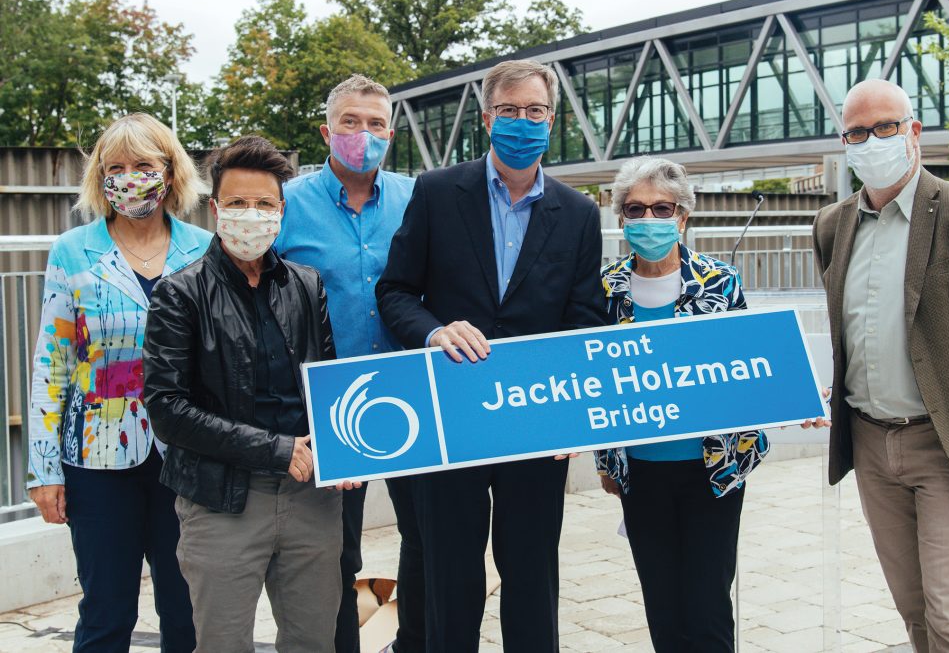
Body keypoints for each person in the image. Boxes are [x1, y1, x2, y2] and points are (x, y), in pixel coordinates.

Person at [376, 58, 605, 653]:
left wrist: (571, 414)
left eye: (535, 112)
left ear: (552, 121)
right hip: (452, 416)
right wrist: (432, 331)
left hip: (535, 421)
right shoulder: (436, 192)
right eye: (510, 111)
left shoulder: (578, 213)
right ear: (486, 118)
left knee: (532, 574)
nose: (522, 122)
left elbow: (583, 319)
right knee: (450, 575)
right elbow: (395, 291)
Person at [806, 78, 949, 651]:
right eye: (857, 132)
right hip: (874, 447)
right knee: (916, 612)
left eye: (885, 127)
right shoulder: (832, 225)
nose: (871, 140)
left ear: (914, 133)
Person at [142, 135, 343, 652]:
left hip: (310, 496)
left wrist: (346, 452)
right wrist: (276, 451)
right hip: (221, 500)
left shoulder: (307, 284)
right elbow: (167, 409)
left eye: (263, 204)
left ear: (281, 210)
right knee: (224, 643)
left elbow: (328, 384)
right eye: (236, 203)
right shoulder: (179, 292)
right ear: (214, 209)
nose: (250, 215)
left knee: (312, 641)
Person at [25, 112, 208, 652]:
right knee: (106, 612)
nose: (130, 177)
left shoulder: (203, 248)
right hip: (98, 461)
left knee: (189, 609)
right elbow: (52, 362)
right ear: (100, 177)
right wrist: (43, 468)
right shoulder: (73, 250)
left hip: (189, 456)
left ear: (170, 172)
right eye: (117, 167)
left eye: (144, 165)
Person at [593, 156, 769, 652]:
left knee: (708, 605)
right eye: (635, 209)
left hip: (712, 470)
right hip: (641, 473)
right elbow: (593, 383)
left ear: (683, 216)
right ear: (621, 217)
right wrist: (606, 461)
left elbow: (748, 368)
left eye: (661, 208)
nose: (648, 220)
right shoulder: (604, 290)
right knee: (662, 605)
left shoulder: (720, 281)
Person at [276, 74, 421, 653]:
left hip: (415, 389)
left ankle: (416, 641)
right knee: (336, 550)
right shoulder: (288, 205)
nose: (364, 134)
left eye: (376, 123)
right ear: (326, 131)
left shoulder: (417, 198)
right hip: (329, 399)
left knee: (428, 536)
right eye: (350, 122)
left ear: (392, 131)